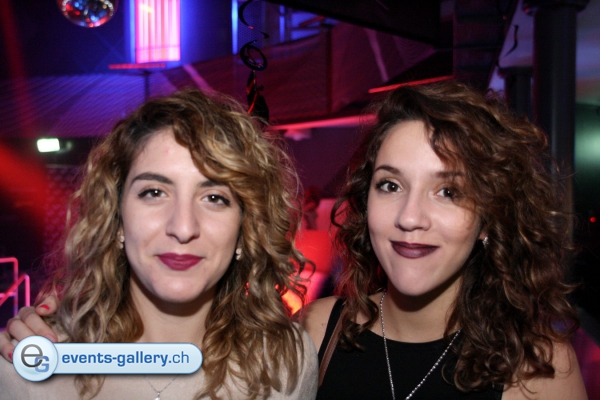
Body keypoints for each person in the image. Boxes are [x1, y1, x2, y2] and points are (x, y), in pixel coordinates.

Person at [0, 89, 318, 399]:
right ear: (117, 218)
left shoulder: (285, 364)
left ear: (244, 228)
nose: (183, 228)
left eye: (214, 198)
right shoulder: (30, 366)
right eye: (154, 192)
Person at [301, 81, 587, 399]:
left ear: (487, 218)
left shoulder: (539, 369)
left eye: (448, 192)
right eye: (391, 185)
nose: (410, 217)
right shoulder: (315, 330)